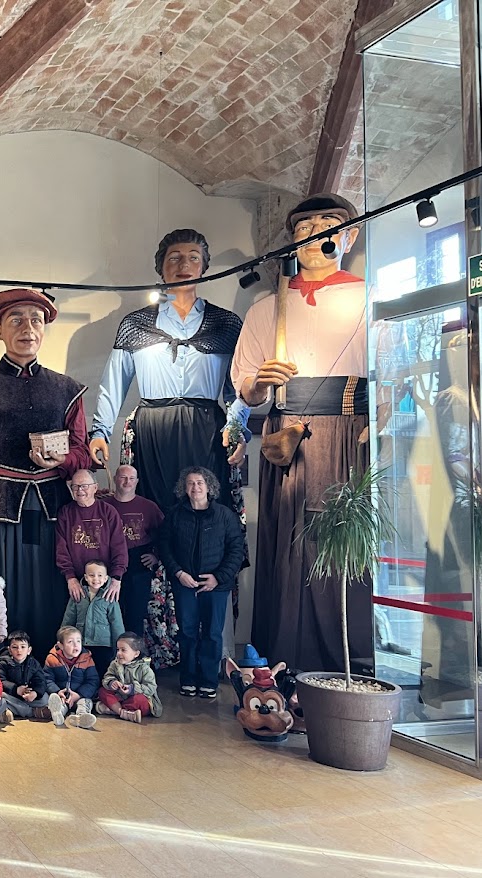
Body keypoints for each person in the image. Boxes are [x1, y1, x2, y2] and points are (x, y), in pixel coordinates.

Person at [231, 193, 371, 673]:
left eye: (327, 226)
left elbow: (392, 370)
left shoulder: (369, 296)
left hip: (347, 432)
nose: (314, 236)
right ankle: (283, 658)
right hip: (285, 433)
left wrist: (378, 429)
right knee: (288, 541)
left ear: (349, 236)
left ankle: (346, 660)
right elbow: (245, 387)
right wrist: (259, 383)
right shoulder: (267, 307)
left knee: (339, 534)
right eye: (304, 228)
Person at [0, 288, 92, 650]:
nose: (27, 328)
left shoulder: (67, 389)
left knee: (49, 583)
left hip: (51, 507)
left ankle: (51, 658)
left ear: (44, 329)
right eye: (15, 320)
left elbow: (81, 451)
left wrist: (63, 461)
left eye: (36, 320)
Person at [89, 229, 244, 512]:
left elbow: (236, 388)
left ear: (204, 266)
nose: (184, 265)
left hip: (206, 429)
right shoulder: (136, 324)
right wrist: (100, 431)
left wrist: (236, 430)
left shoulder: (225, 324)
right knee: (152, 508)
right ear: (161, 266)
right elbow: (113, 384)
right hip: (152, 430)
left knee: (205, 507)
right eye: (174, 257)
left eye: (193, 257)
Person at [157, 467, 246, 699]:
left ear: (209, 486)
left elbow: (237, 550)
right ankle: (188, 679)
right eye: (190, 483)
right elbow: (164, 547)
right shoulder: (175, 515)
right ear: (184, 488)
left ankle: (208, 681)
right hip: (184, 584)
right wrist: (178, 573)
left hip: (216, 586)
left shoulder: (225, 515)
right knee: (187, 632)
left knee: (212, 633)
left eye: (200, 483)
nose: (195, 487)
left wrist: (218, 578)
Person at [99, 465, 166, 645]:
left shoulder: (149, 507)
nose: (127, 481)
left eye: (131, 478)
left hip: (138, 565)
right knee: (110, 614)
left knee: (135, 615)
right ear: (115, 479)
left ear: (137, 481)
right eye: (123, 477)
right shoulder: (103, 506)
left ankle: (134, 655)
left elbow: (165, 535)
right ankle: (112, 656)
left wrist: (156, 555)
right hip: (109, 566)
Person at [55, 470, 128, 606]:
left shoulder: (108, 512)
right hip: (76, 582)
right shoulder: (65, 513)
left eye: (84, 486)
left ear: (95, 487)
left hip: (104, 582)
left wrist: (116, 579)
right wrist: (70, 578)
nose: (79, 490)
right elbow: (61, 549)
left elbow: (119, 547)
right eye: (75, 486)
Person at [62, 560, 125, 677]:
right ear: (86, 577)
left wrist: (120, 647)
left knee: (103, 673)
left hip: (103, 645)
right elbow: (68, 619)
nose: (96, 579)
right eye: (91, 575)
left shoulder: (110, 597)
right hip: (81, 643)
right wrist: (62, 639)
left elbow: (116, 623)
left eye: (100, 575)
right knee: (81, 673)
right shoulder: (78, 594)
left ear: (106, 578)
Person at [97, 632, 162, 724]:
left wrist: (132, 689)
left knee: (140, 700)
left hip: (135, 698)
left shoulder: (145, 669)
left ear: (136, 654)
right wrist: (112, 682)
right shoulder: (114, 664)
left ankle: (114, 710)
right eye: (118, 649)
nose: (119, 653)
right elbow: (107, 677)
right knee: (102, 691)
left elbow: (151, 687)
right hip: (120, 696)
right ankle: (123, 712)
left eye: (123, 650)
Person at [44, 626, 99, 730]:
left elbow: (93, 681)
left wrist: (78, 695)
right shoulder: (52, 659)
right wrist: (57, 691)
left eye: (78, 641)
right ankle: (58, 714)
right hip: (63, 696)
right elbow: (47, 679)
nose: (76, 645)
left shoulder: (87, 660)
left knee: (85, 702)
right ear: (60, 645)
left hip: (80, 696)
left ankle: (81, 717)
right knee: (58, 702)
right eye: (70, 642)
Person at [0, 631, 56, 721]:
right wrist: (16, 689)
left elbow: (41, 681)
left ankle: (17, 710)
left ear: (29, 650)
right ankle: (32, 712)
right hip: (12, 696)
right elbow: (0, 681)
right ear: (9, 650)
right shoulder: (2, 663)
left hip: (28, 697)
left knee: (45, 698)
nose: (19, 650)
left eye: (23, 647)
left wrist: (35, 693)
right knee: (0, 697)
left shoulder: (34, 664)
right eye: (15, 647)